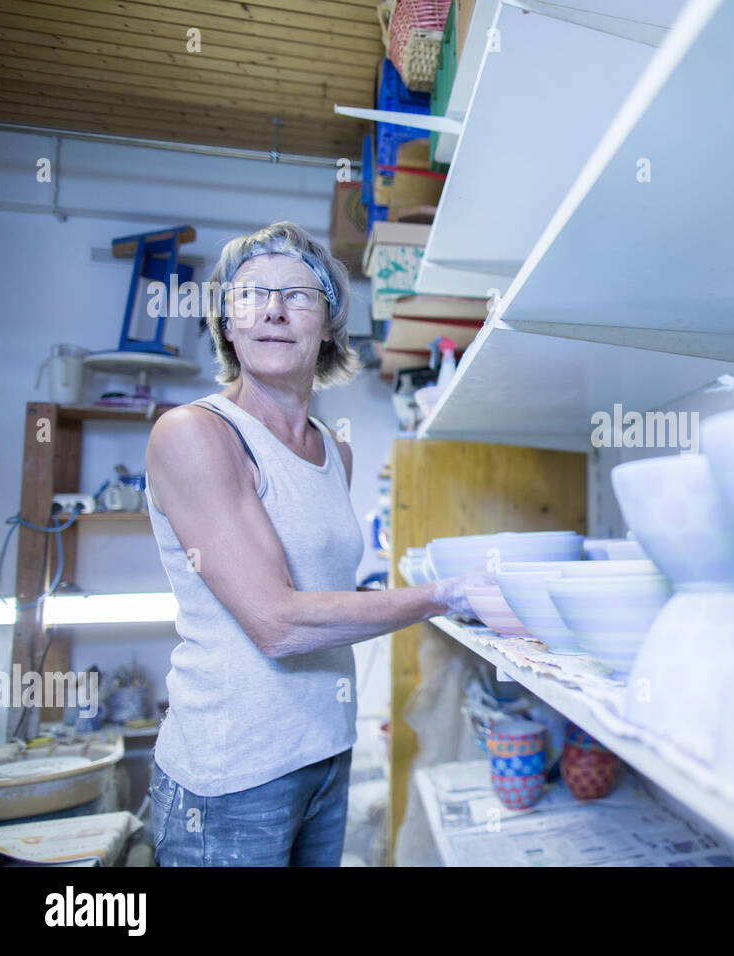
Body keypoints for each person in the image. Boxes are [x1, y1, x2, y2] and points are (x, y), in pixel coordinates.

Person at [143, 221, 487, 866]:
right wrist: (441, 595)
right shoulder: (195, 434)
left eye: (297, 295)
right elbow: (278, 624)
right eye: (252, 295)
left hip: (324, 751)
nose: (273, 310)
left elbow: (322, 596)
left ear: (329, 323)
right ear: (226, 321)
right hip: (234, 774)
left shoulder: (337, 451)